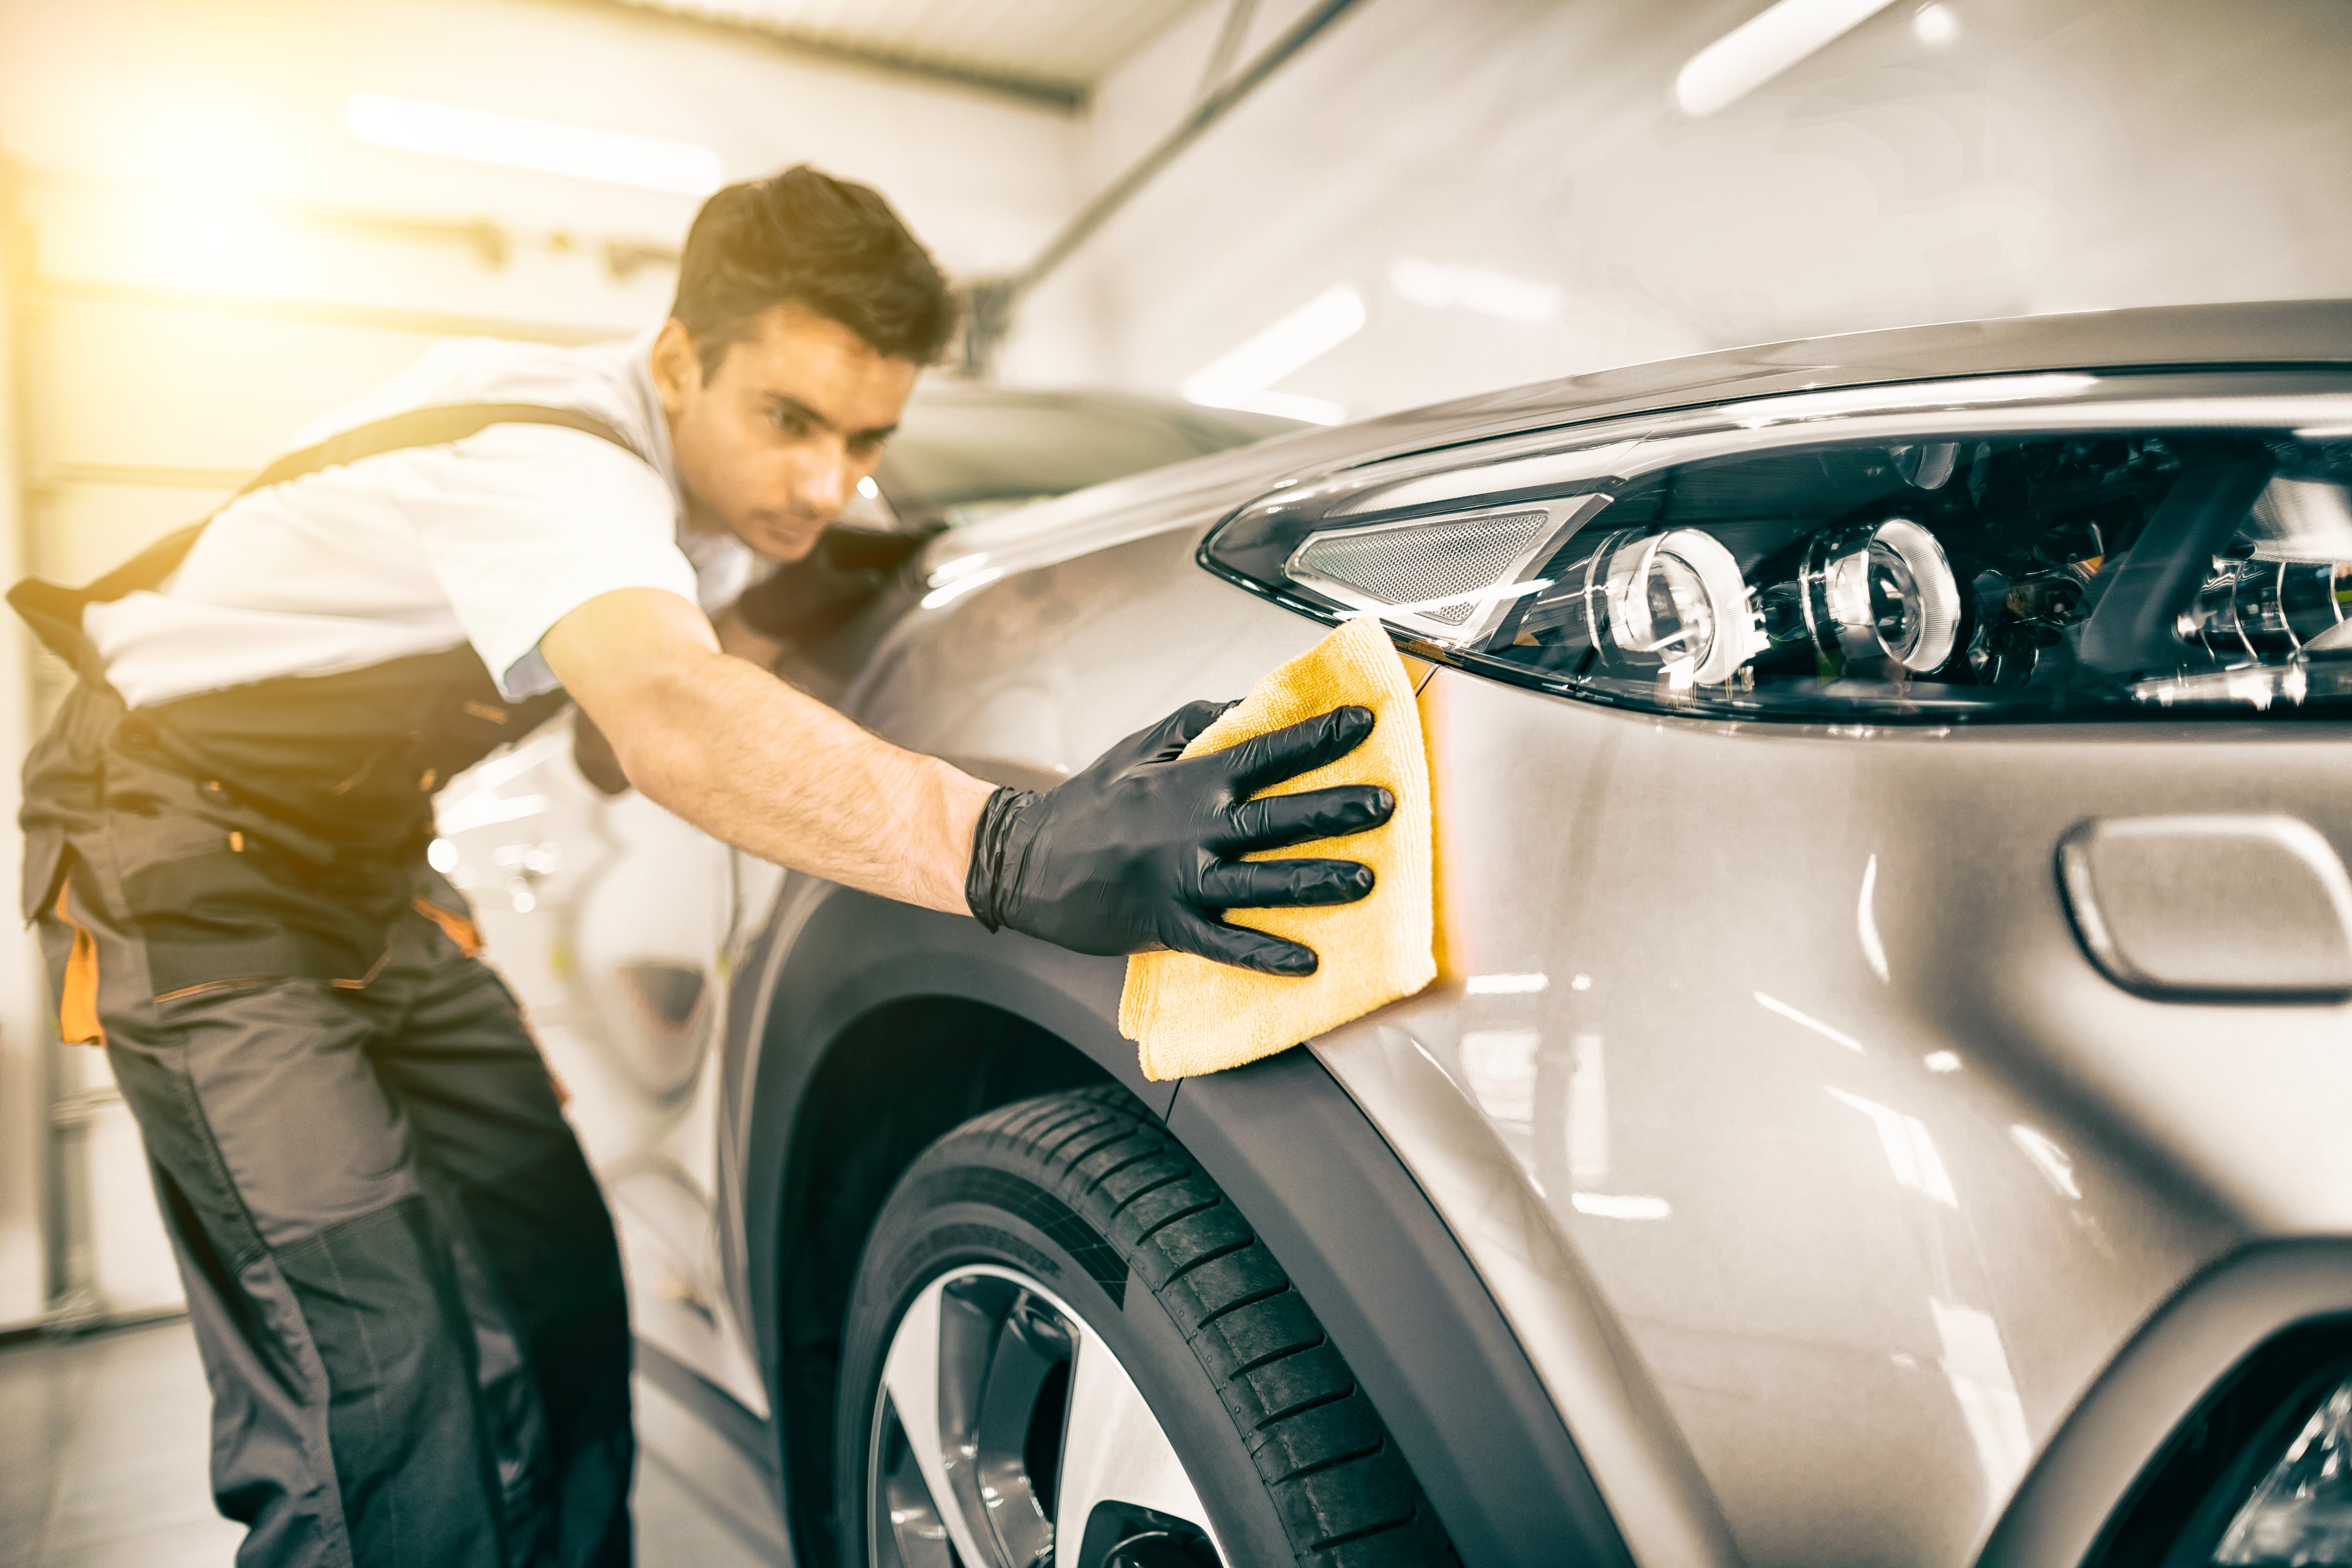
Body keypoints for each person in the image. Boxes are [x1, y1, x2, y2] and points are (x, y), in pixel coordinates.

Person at [9, 165, 1392, 1567]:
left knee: (551, 1278)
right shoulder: (552, 457)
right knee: (377, 1372)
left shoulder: (710, 527)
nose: (825, 481)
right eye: (788, 419)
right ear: (678, 360)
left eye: (866, 436)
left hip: (362, 872)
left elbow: (650, 710)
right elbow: (668, 717)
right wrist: (1010, 842)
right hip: (174, 847)